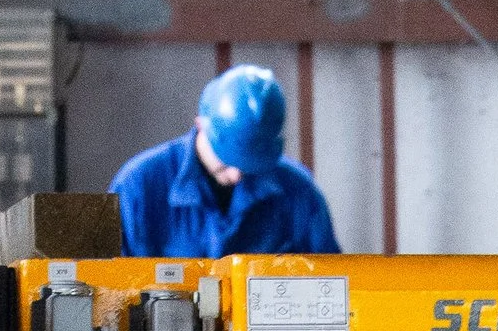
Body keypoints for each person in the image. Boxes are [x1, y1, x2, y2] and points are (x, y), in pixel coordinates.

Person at [110, 62, 340, 259]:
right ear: (200, 124)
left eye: (250, 163)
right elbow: (109, 290)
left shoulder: (298, 192)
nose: (237, 175)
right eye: (227, 160)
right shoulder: (137, 187)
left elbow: (335, 285)